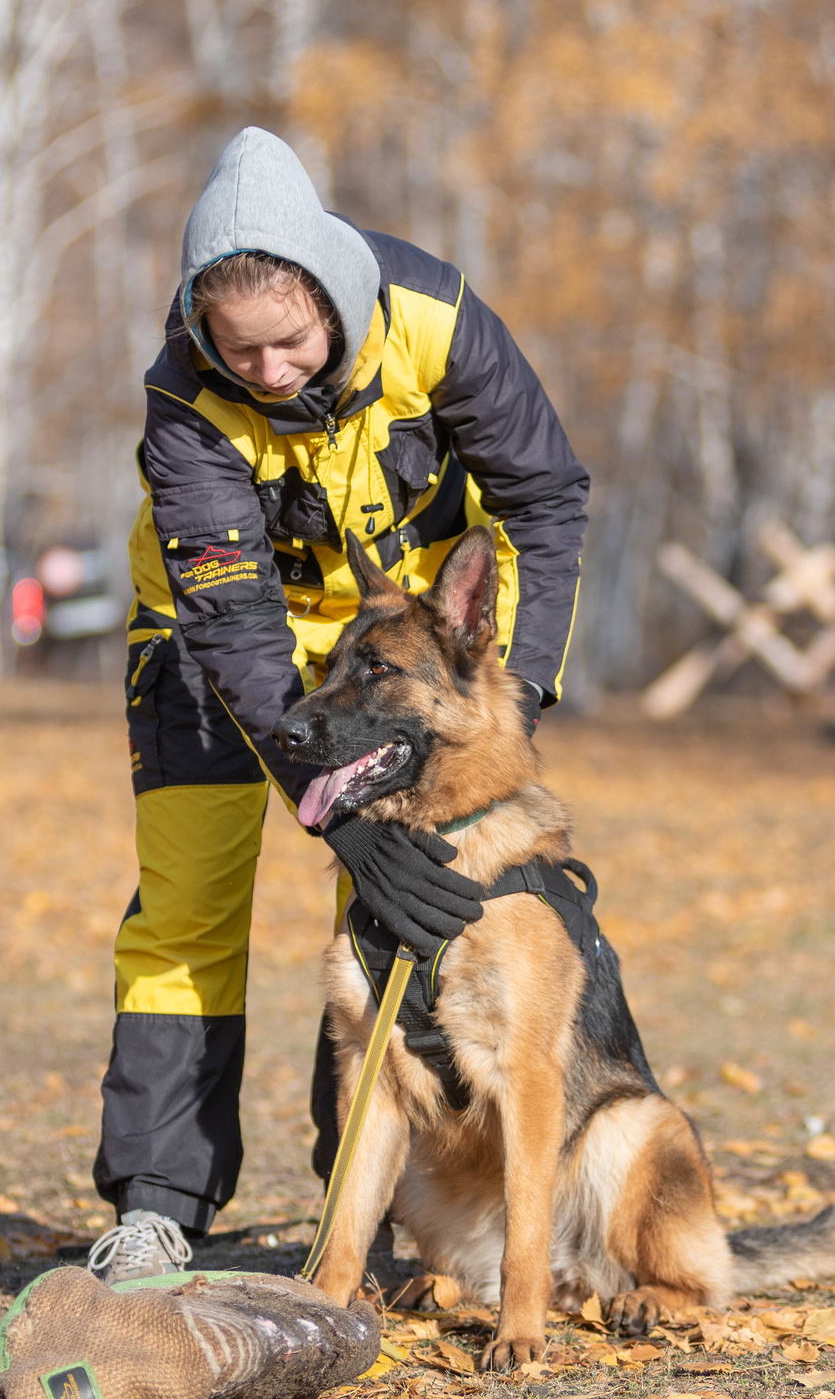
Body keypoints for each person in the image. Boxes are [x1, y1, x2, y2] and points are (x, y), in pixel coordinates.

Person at [85, 128, 590, 1284]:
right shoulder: (182, 401)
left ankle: (354, 1220)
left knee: (374, 935)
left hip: (392, 644)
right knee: (186, 911)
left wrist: (520, 697)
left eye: (292, 343)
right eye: (239, 348)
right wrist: (341, 817)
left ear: (331, 298)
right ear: (201, 326)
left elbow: (544, 495)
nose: (268, 371)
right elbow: (237, 627)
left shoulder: (434, 319)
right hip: (212, 650)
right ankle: (158, 1207)